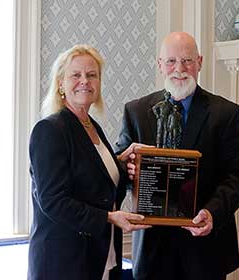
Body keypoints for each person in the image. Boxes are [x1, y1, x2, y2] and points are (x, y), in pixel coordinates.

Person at [115, 32, 239, 280]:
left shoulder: (226, 114)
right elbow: (119, 169)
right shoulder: (136, 111)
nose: (179, 69)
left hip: (205, 250)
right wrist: (128, 168)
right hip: (151, 251)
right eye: (171, 61)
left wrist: (212, 213)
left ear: (199, 62)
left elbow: (237, 178)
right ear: (159, 65)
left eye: (187, 61)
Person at [27, 44, 150, 280]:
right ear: (61, 83)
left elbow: (96, 183)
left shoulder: (92, 127)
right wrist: (108, 217)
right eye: (76, 75)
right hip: (64, 263)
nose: (85, 81)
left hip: (100, 256)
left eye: (92, 75)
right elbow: (52, 201)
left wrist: (120, 163)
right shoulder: (50, 130)